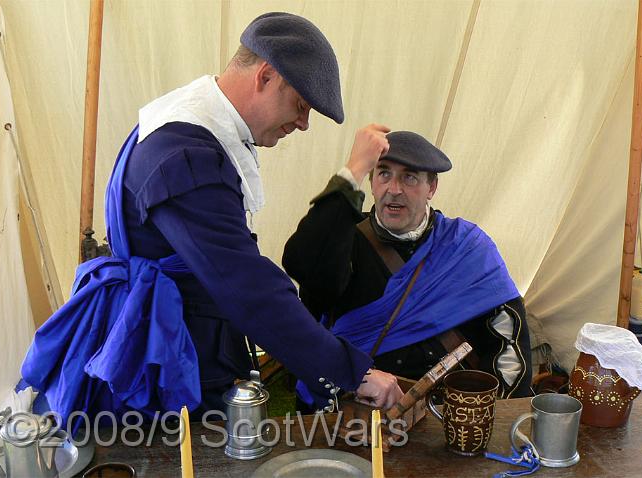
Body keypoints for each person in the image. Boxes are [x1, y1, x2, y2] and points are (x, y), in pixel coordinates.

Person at [21, 13, 403, 422]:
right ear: (266, 76)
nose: (304, 124)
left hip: (176, 339)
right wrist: (351, 371)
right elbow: (246, 284)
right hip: (163, 356)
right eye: (301, 105)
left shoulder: (186, 128)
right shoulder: (186, 155)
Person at [283, 127, 533, 410]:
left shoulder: (468, 247)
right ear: (371, 181)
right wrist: (349, 175)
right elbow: (299, 263)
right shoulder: (343, 238)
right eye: (384, 173)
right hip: (360, 403)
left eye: (409, 177)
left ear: (432, 188)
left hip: (445, 411)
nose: (394, 189)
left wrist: (499, 416)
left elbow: (507, 340)